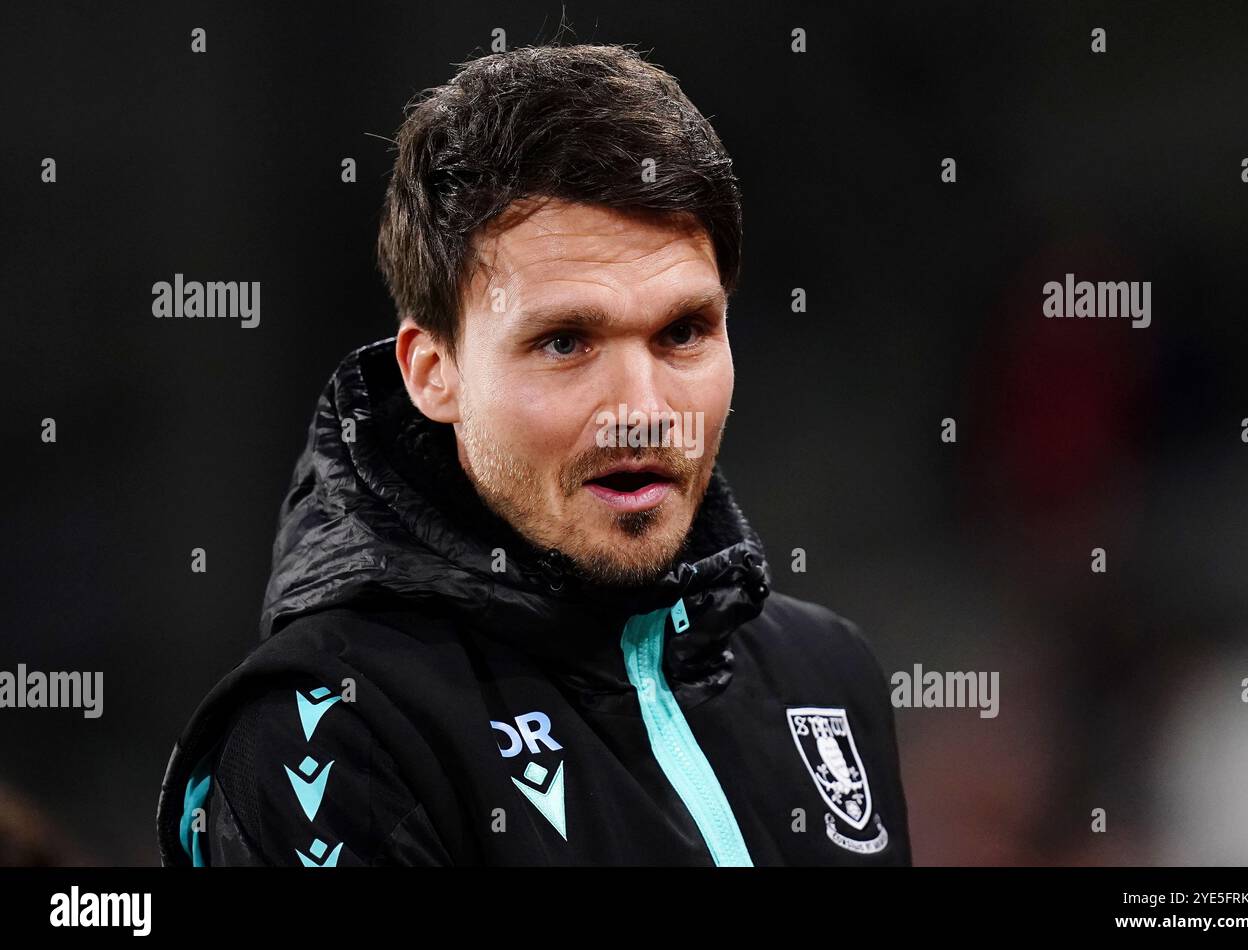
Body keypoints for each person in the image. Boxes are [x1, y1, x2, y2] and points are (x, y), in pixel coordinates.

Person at [156, 42, 909, 866]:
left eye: (684, 332)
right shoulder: (331, 733)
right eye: (564, 342)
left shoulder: (829, 676)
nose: (643, 415)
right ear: (432, 373)